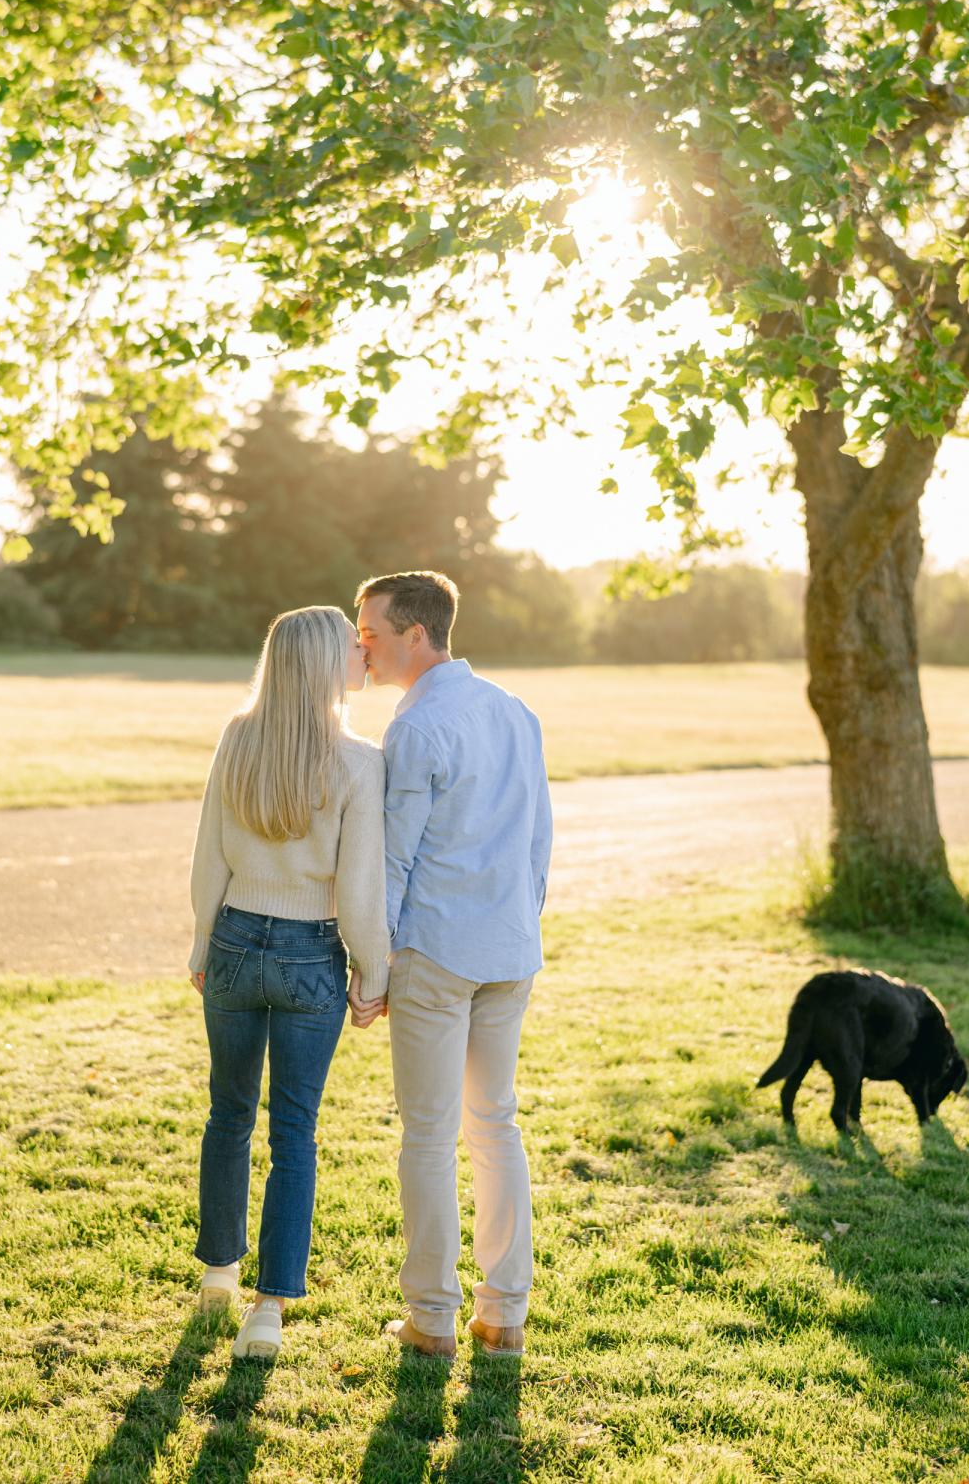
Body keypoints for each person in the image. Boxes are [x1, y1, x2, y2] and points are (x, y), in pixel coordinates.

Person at [351, 570, 552, 1360]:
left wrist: (374, 968)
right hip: (509, 948)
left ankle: (431, 1318)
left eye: (370, 631)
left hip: (436, 953)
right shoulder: (514, 711)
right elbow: (540, 840)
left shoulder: (416, 729)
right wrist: (518, 922)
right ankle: (504, 1312)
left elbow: (392, 864)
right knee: (494, 1124)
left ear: (415, 635)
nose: (361, 644)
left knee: (431, 1137)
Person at [187, 605, 391, 1361]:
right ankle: (268, 1309)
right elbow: (360, 891)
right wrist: (374, 970)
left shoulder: (237, 737)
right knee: (293, 1133)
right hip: (311, 955)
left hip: (236, 941)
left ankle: (219, 1272)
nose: (364, 653)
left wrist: (202, 940)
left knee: (229, 1114)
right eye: (352, 645)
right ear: (320, 663)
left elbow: (209, 854)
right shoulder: (360, 762)